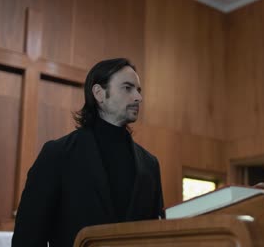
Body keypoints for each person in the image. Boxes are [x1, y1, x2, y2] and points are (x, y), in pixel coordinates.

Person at [12, 58, 164, 247]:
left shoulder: (150, 164)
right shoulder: (58, 154)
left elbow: (157, 235)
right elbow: (27, 237)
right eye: (127, 88)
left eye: (138, 91)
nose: (138, 97)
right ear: (99, 93)